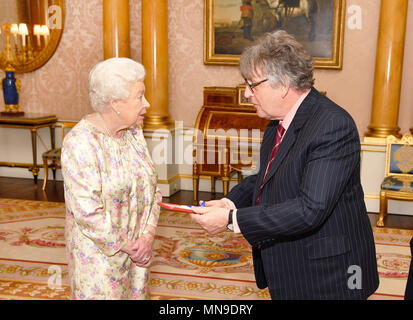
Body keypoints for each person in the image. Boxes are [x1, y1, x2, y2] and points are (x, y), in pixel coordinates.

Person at [191, 30, 379, 300]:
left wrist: (232, 220)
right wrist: (229, 202)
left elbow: (310, 209)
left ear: (283, 85)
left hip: (331, 273)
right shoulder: (277, 121)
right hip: (292, 265)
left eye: (252, 85)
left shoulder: (332, 125)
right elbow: (264, 178)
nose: (246, 94)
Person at [61, 58, 161, 300]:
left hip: (138, 254)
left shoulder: (134, 133)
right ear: (115, 102)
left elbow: (152, 189)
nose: (146, 104)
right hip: (99, 259)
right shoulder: (81, 143)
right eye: (139, 96)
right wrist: (126, 245)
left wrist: (146, 237)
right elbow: (87, 212)